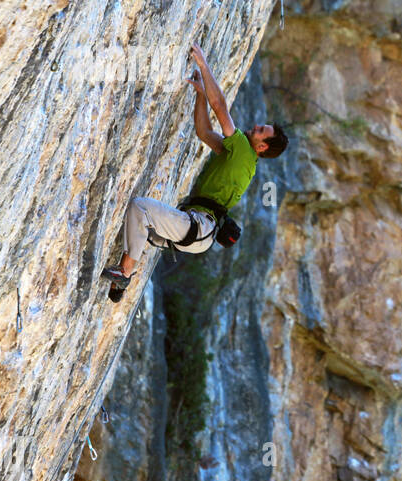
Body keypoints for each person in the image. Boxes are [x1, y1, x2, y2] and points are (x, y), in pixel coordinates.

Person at [101, 43, 288, 298]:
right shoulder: (243, 162)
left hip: (197, 226)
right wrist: (201, 95)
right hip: (199, 235)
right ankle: (119, 284)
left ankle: (124, 273)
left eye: (260, 131)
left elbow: (220, 107)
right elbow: (204, 132)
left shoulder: (244, 150)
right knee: (140, 223)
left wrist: (203, 63)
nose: (254, 127)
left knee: (140, 207)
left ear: (262, 146)